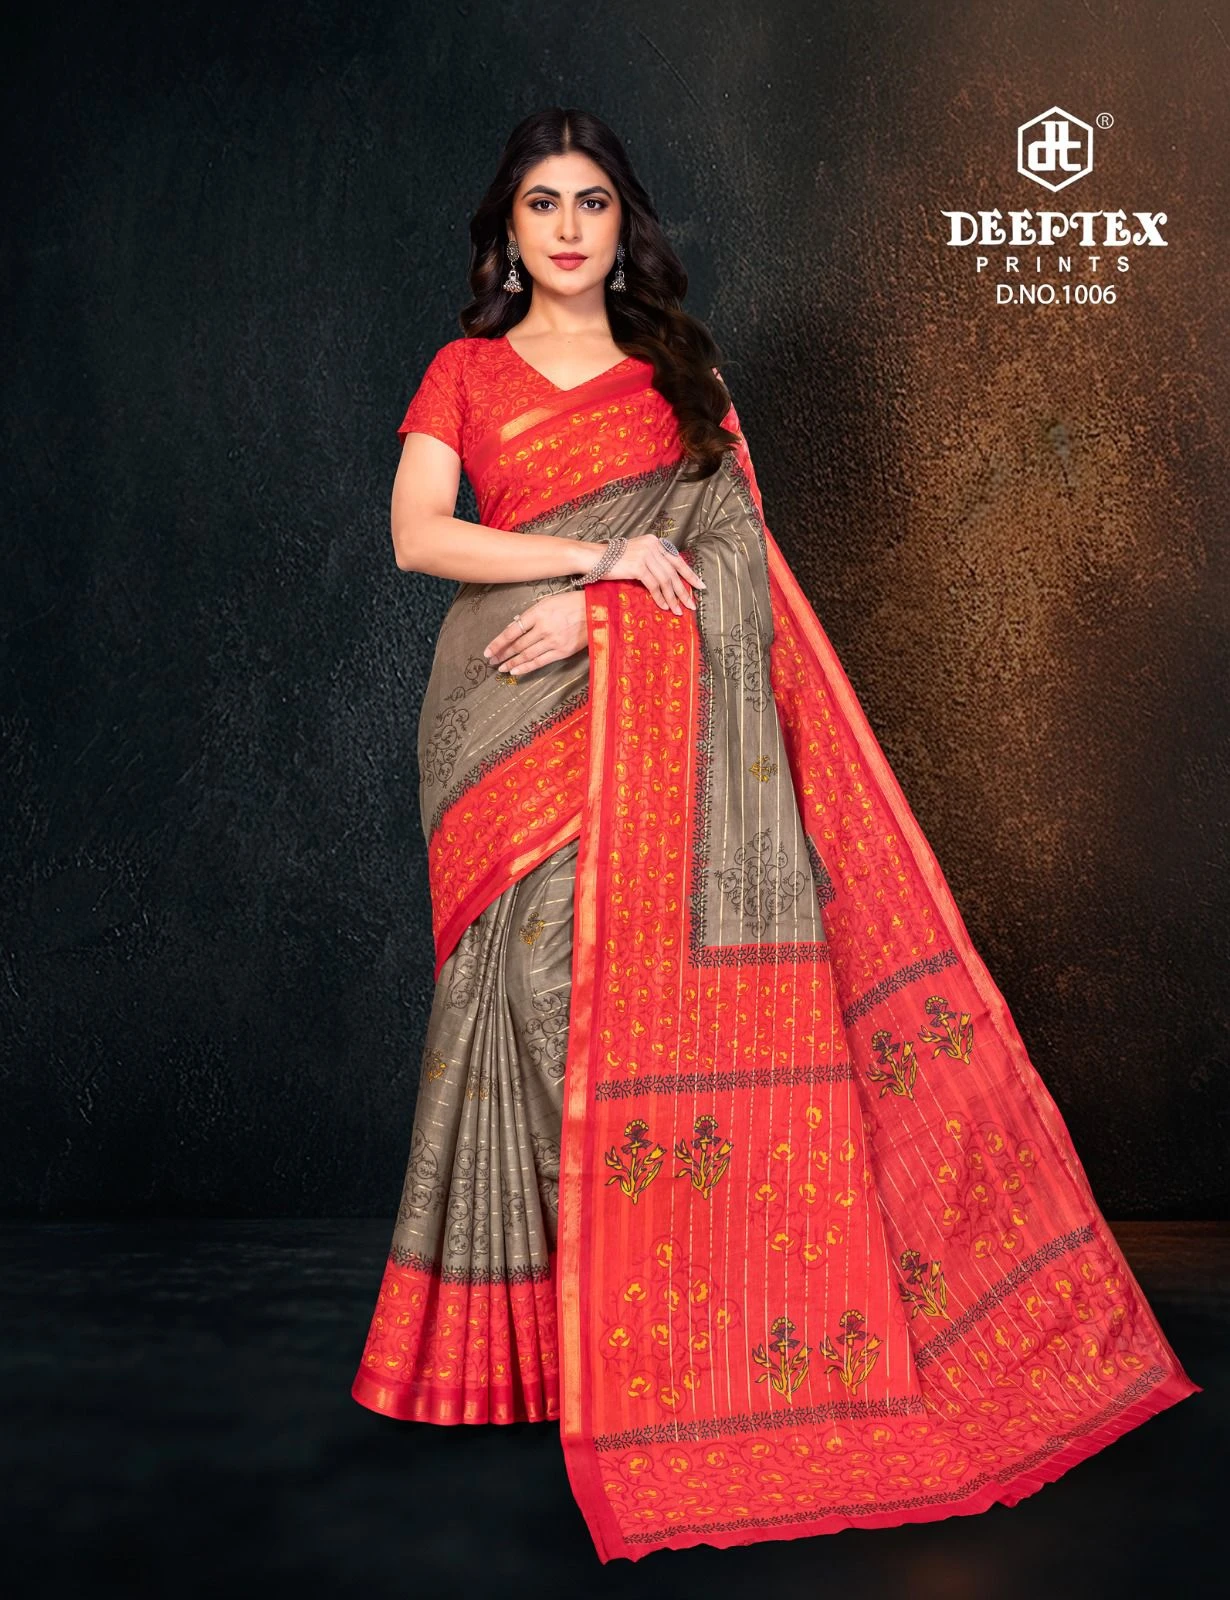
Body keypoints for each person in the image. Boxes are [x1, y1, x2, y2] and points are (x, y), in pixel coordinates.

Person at [350, 107, 1197, 1564]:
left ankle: (661, 1336)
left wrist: (611, 610)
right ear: (508, 234)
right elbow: (418, 536)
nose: (568, 227)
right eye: (543, 204)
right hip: (500, 716)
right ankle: (542, 1354)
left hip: (647, 711)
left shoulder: (681, 375)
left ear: (626, 228)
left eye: (593, 202)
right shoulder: (466, 372)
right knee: (525, 996)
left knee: (611, 1001)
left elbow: (733, 559)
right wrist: (600, 557)